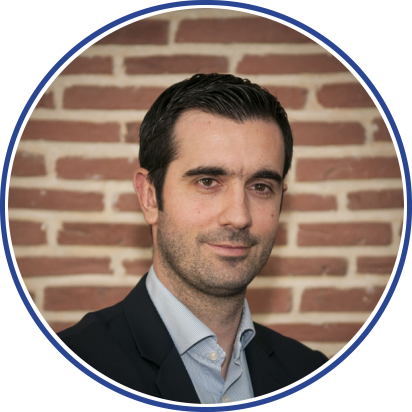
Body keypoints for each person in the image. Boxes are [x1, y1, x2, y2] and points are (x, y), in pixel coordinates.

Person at [58, 73, 328, 404]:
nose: (239, 216)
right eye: (207, 181)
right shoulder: (71, 369)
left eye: (260, 187)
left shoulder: (309, 372)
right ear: (150, 197)